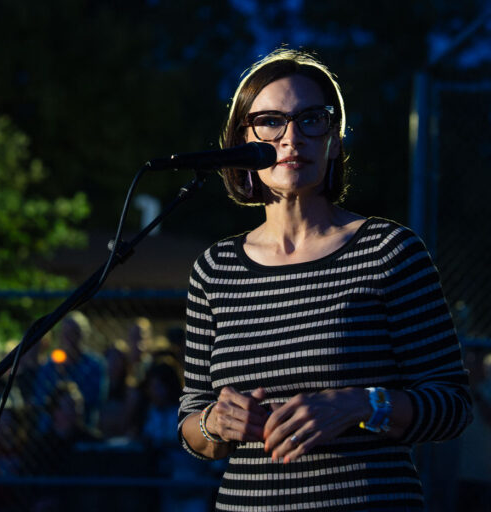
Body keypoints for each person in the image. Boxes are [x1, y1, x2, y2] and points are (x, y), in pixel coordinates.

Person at [177, 48, 472, 511]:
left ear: (334, 139)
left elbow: (452, 406)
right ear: (241, 139)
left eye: (311, 119)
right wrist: (216, 421)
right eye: (270, 121)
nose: (292, 137)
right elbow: (192, 426)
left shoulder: (388, 251)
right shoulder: (214, 270)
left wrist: (360, 405)